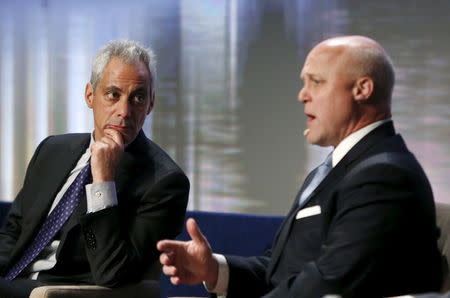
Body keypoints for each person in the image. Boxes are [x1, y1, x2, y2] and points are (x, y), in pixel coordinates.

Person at [157, 35, 442, 298]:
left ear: (362, 89)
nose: (302, 95)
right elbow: (283, 272)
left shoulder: (384, 176)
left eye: (316, 82)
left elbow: (330, 283)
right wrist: (215, 270)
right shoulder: (335, 170)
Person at [0, 40, 189, 297]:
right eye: (113, 95)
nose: (124, 111)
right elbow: (14, 230)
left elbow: (111, 272)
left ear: (150, 104)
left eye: (138, 98)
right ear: (90, 95)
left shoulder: (165, 183)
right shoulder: (52, 150)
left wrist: (103, 182)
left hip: (59, 291)